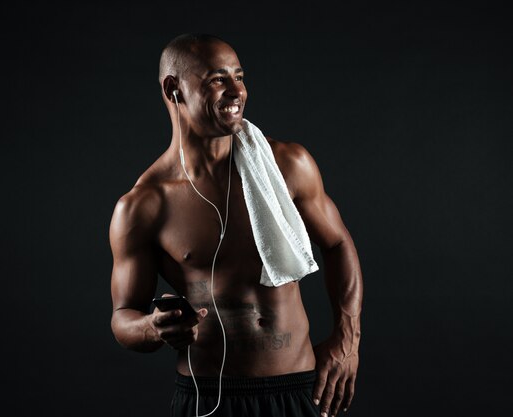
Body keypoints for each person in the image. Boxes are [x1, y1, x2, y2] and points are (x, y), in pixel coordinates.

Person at [109, 33, 363, 417]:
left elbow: (338, 244)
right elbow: (123, 316)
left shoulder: (287, 165)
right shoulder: (144, 205)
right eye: (217, 79)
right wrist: (153, 328)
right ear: (173, 88)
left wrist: (348, 339)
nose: (236, 91)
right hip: (207, 397)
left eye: (239, 77)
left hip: (295, 388)